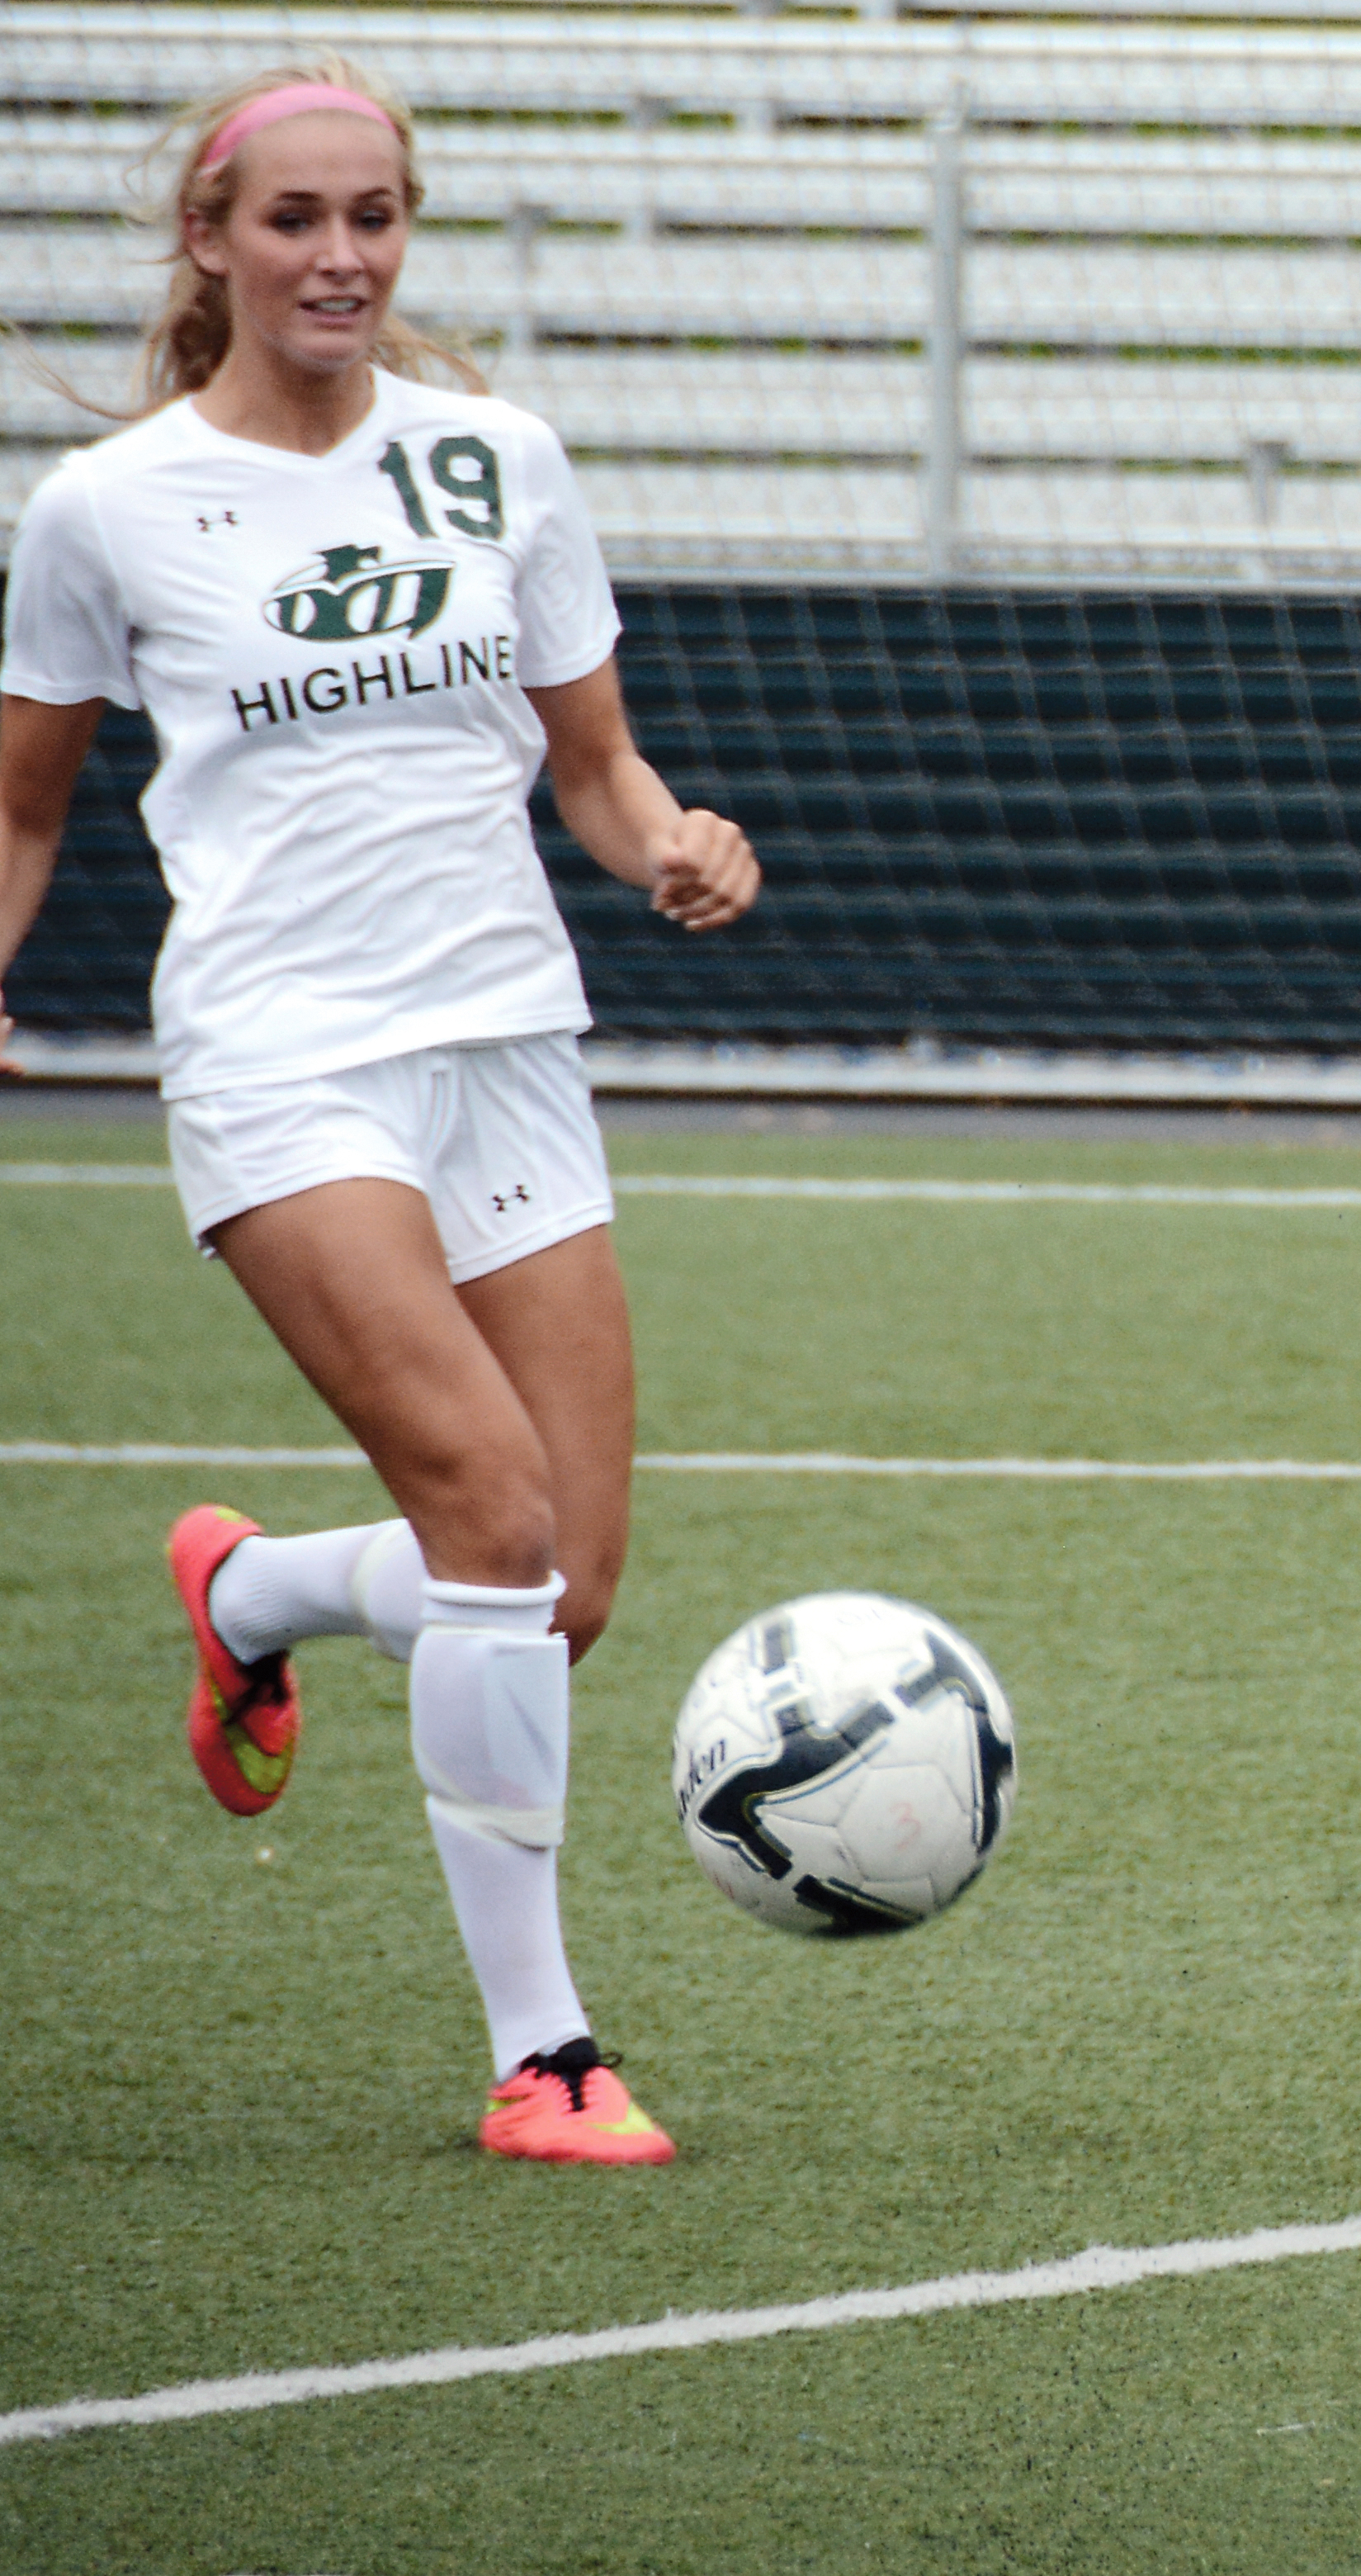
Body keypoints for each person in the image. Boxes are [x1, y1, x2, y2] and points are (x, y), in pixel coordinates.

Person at [0, 59, 759, 2163]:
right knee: (494, 1530)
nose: (340, 257)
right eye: (296, 221)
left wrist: (675, 840)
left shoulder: (498, 460)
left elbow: (595, 767)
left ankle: (251, 1597)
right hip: (280, 1056)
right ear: (212, 245)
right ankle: (545, 2055)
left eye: (375, 219)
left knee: (564, 1588)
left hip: (505, 1041)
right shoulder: (110, 510)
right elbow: (23, 805)